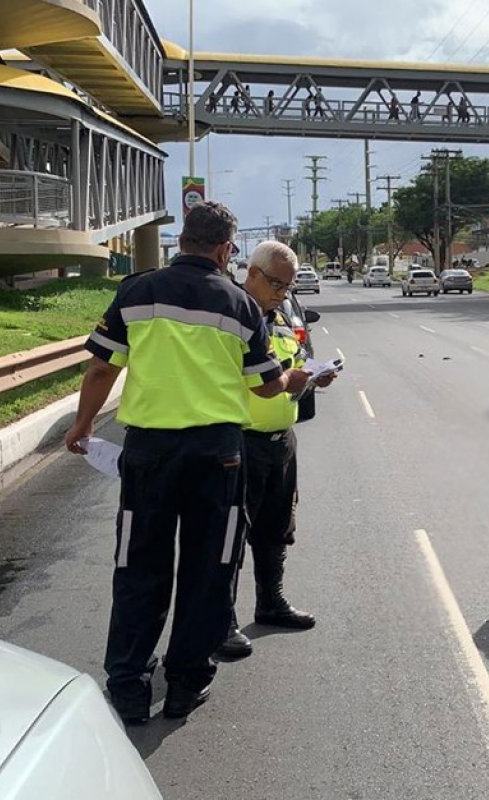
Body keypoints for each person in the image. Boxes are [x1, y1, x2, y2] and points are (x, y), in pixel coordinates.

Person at [65, 201, 310, 725]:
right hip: (218, 458)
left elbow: (101, 371)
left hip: (148, 454)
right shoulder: (239, 306)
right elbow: (266, 384)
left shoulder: (137, 291)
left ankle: (128, 684)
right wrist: (293, 381)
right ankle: (185, 683)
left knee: (138, 566)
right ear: (225, 250)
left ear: (181, 242)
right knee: (209, 570)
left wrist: (83, 425)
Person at [218, 242, 336, 660]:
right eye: (275, 283)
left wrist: (311, 378)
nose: (282, 293)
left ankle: (271, 602)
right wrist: (291, 378)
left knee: (276, 528)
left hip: (280, 438)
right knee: (229, 534)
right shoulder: (229, 315)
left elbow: (292, 363)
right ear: (250, 272)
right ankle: (222, 620)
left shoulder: (284, 317)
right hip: (239, 440)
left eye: (287, 286)